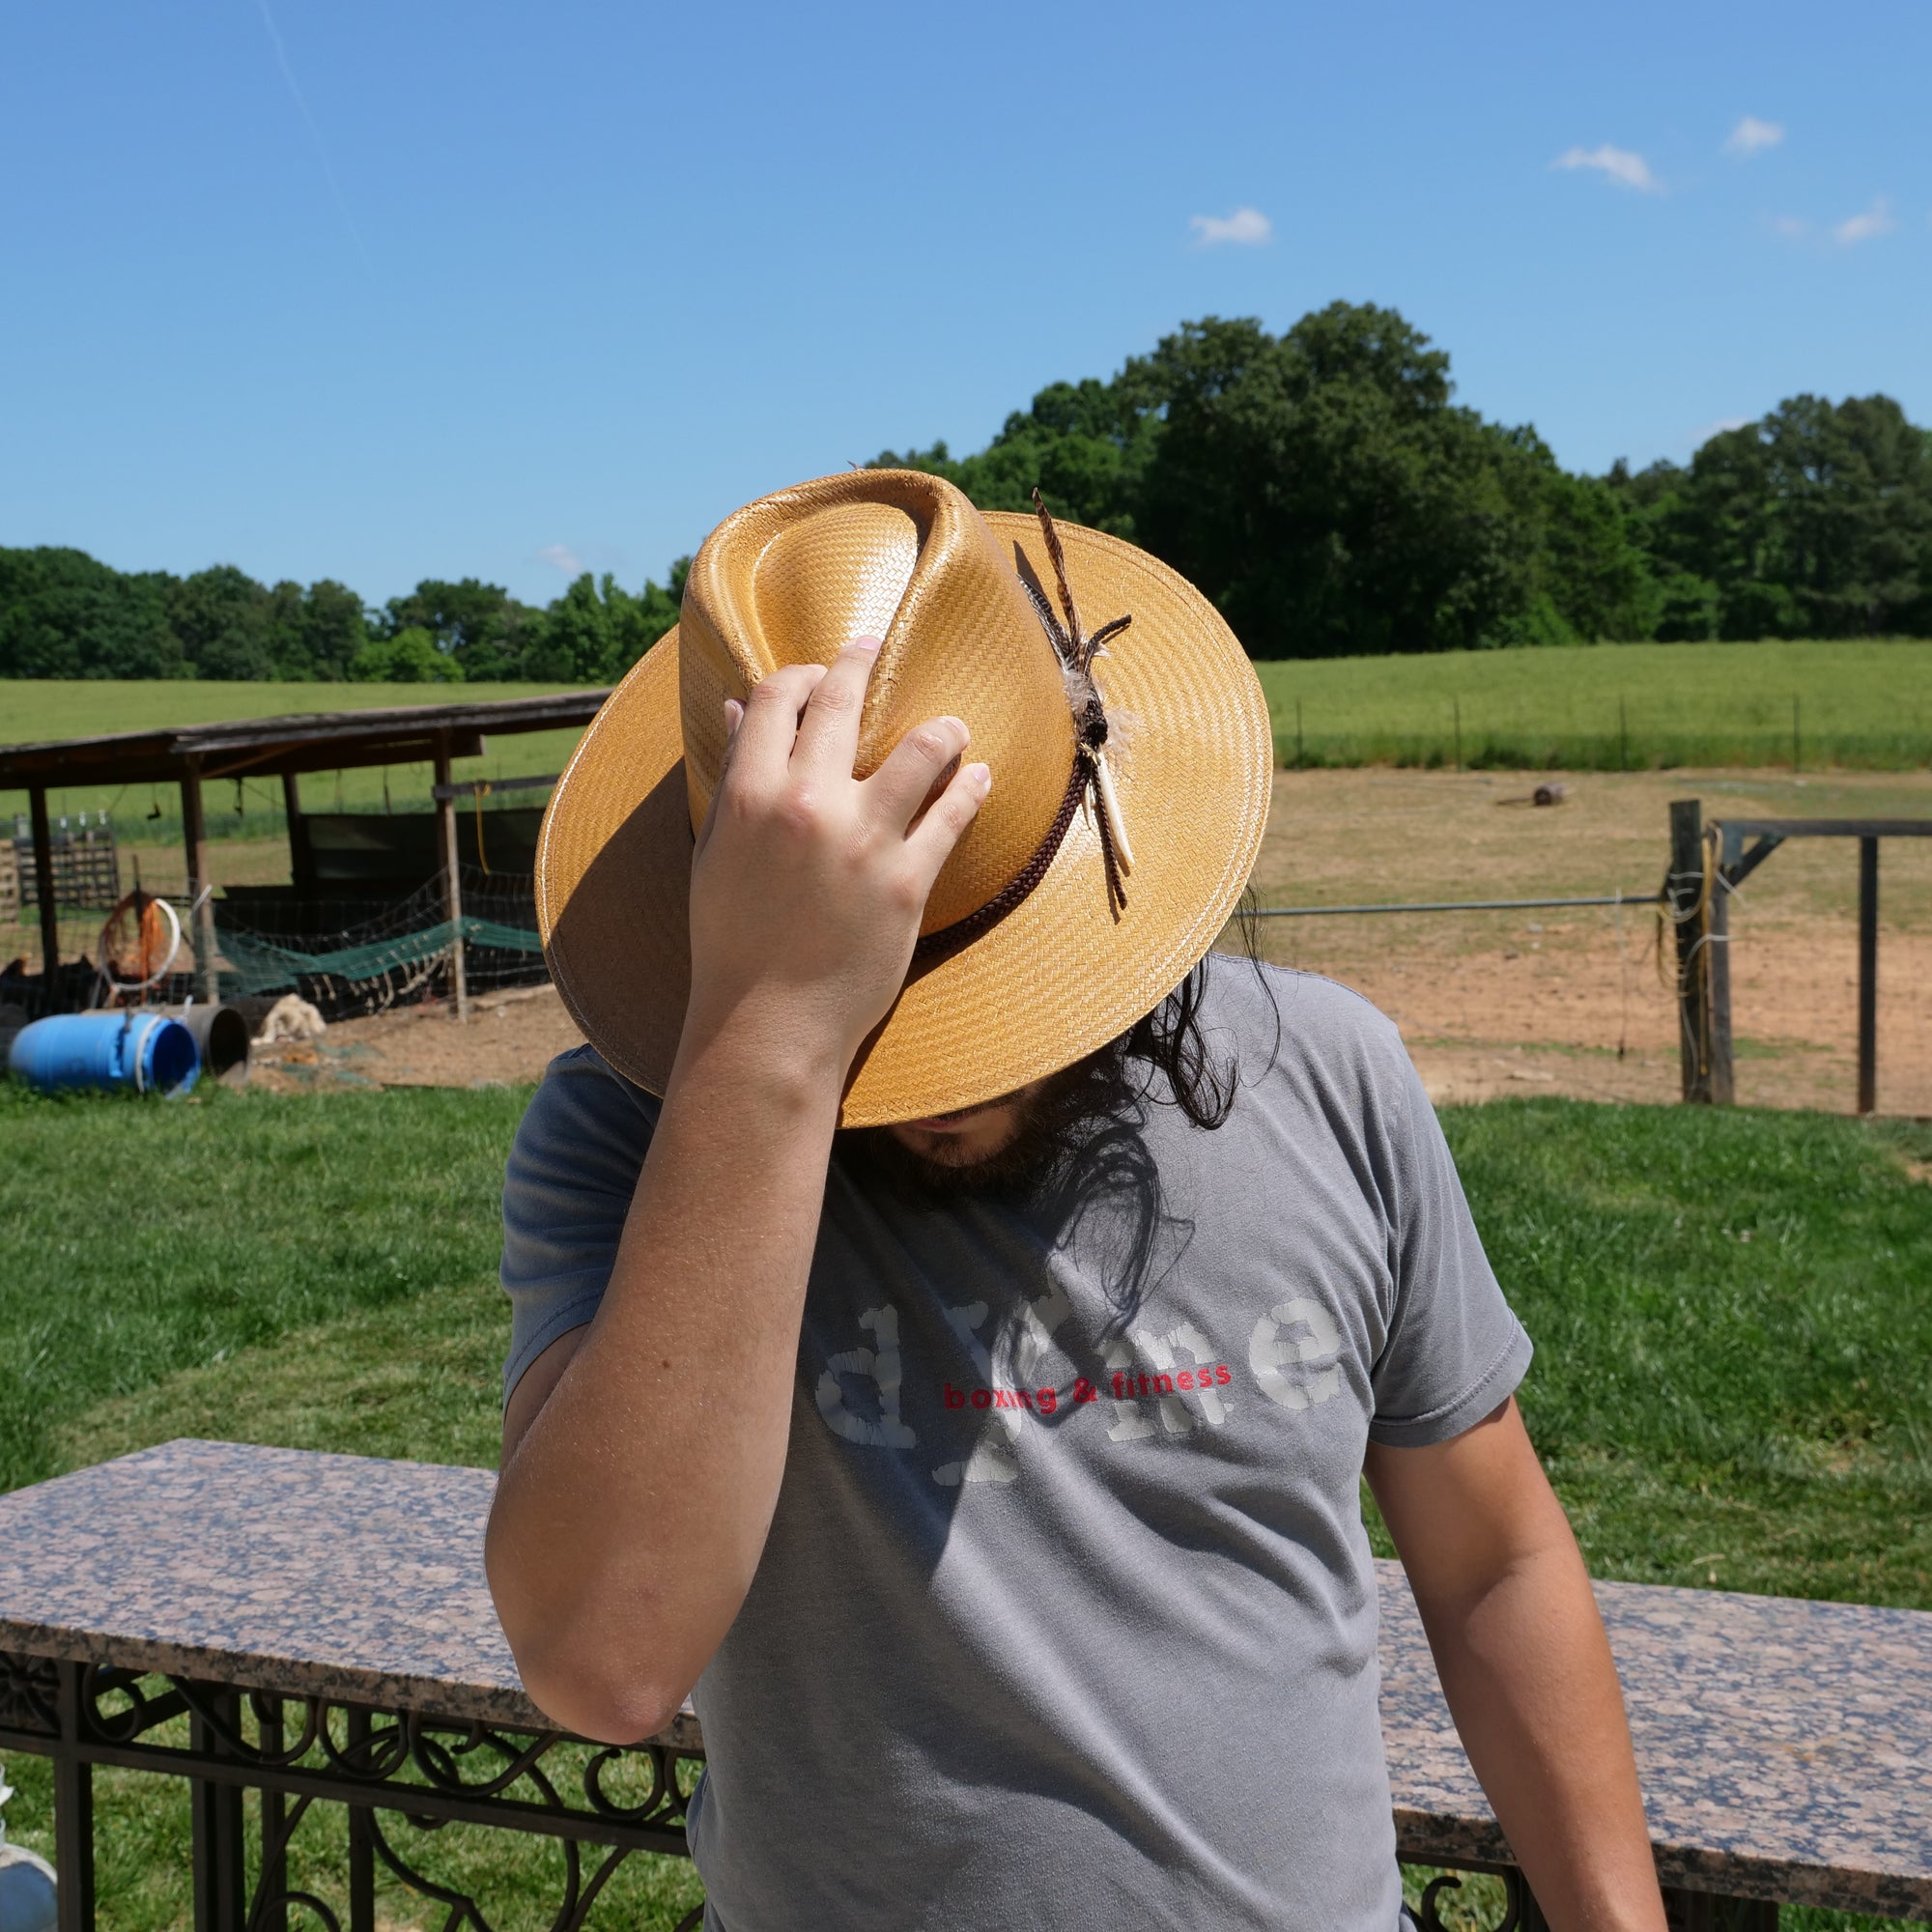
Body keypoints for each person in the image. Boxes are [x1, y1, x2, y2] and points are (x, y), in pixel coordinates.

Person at [485, 471, 1666, 1932]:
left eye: (987, 992)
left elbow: (1495, 1559)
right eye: (884, 1018)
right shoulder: (636, 1131)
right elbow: (603, 1658)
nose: (933, 1083)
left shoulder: (1332, 1072)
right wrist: (774, 1041)